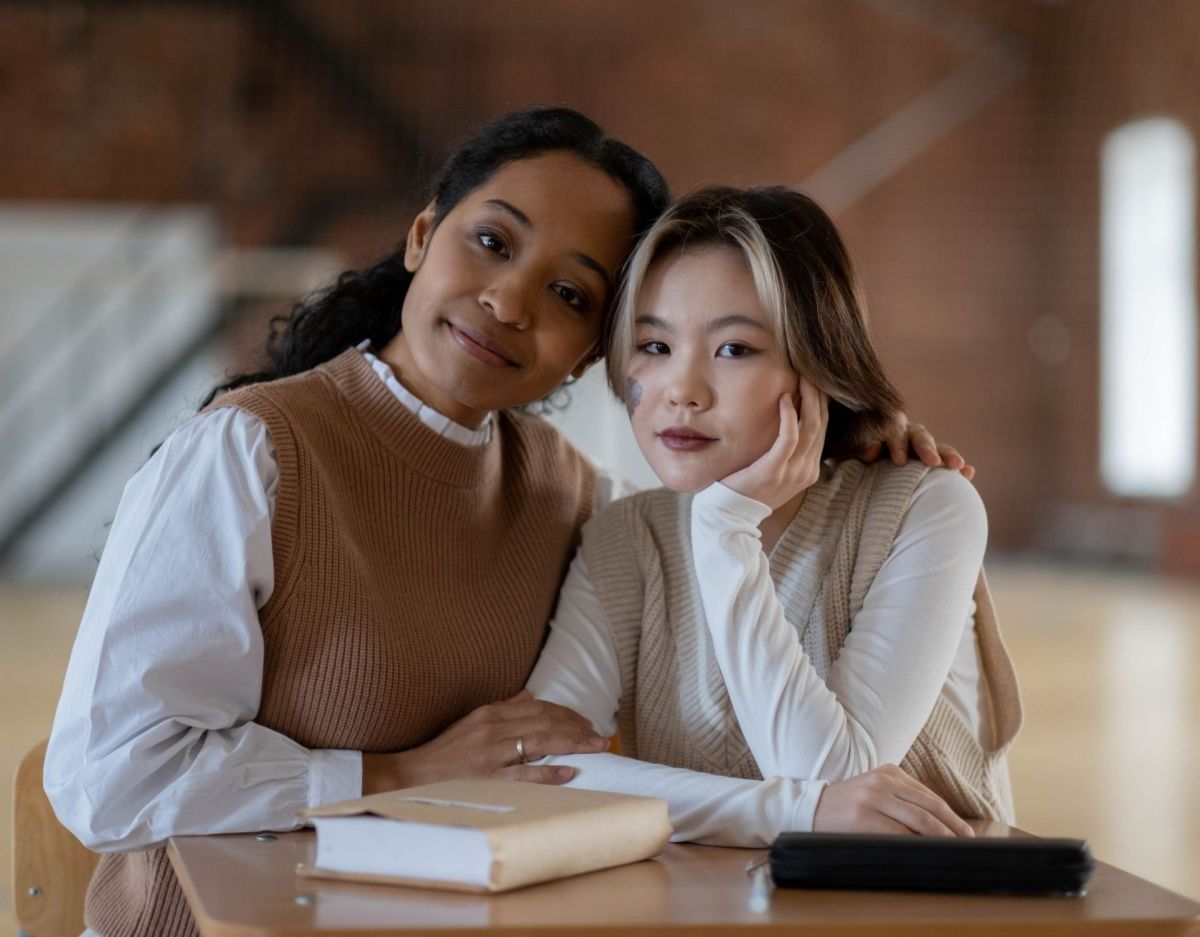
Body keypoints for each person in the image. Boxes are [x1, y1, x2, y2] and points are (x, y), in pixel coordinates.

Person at [45, 109, 968, 937]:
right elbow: (109, 781)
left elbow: (572, 753)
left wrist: (857, 443)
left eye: (571, 295)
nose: (510, 300)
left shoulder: (571, 494)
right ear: (420, 234)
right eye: (491, 241)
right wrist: (394, 775)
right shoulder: (247, 451)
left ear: (588, 356)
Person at [526, 185, 1022, 845]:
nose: (681, 390)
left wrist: (724, 527)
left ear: (816, 363)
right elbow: (548, 772)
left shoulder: (926, 509)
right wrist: (788, 812)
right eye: (654, 345)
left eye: (734, 349)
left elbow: (829, 771)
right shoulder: (626, 535)